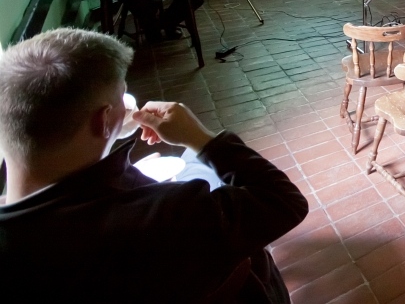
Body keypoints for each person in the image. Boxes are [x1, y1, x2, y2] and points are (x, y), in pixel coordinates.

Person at [0, 28, 308, 303]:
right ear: (103, 120)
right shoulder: (171, 214)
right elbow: (283, 201)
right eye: (123, 94)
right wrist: (201, 138)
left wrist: (128, 181)